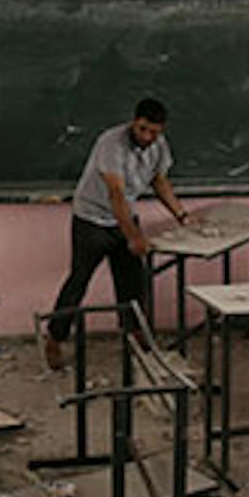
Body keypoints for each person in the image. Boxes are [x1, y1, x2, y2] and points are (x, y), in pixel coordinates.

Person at [43, 97, 190, 368]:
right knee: (78, 282)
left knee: (133, 284)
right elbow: (116, 193)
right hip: (91, 220)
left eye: (154, 132)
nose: (147, 136)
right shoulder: (111, 142)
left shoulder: (158, 145)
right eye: (143, 129)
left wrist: (180, 214)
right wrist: (134, 237)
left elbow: (159, 181)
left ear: (162, 130)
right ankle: (54, 338)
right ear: (134, 121)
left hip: (123, 218)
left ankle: (135, 335)